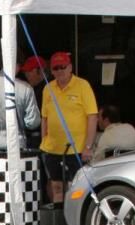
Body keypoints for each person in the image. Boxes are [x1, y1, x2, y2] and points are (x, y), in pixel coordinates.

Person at [39, 51, 98, 204]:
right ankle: (59, 223)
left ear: (70, 67)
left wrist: (88, 146)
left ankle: (75, 221)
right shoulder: (48, 88)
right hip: (52, 148)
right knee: (56, 187)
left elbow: (92, 116)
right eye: (55, 68)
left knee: (77, 187)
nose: (59, 71)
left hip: (77, 148)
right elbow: (44, 118)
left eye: (62, 67)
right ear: (51, 71)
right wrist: (43, 141)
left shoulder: (82, 85)